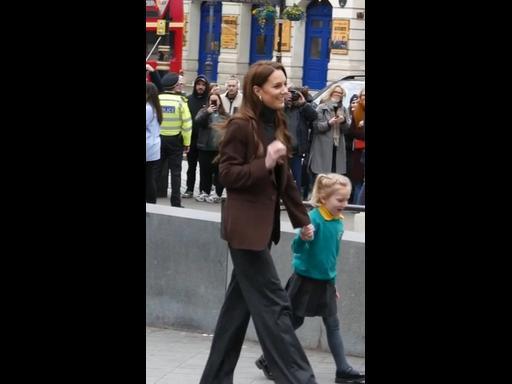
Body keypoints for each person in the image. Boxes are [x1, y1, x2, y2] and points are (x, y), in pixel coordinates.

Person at [199, 60, 318, 384]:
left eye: (285, 83)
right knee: (276, 306)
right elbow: (227, 175)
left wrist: (301, 219)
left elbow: (286, 180)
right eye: (277, 86)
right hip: (244, 232)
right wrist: (263, 161)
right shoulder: (241, 125)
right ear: (257, 90)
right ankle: (301, 379)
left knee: (235, 314)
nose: (285, 90)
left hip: (261, 231)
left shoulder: (276, 121)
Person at [255, 173, 365, 384]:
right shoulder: (314, 219)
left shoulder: (338, 221)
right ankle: (267, 359)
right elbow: (296, 248)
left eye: (347, 199)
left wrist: (333, 284)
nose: (345, 204)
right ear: (323, 198)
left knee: (332, 324)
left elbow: (331, 257)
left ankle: (342, 369)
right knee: (293, 322)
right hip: (305, 281)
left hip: (325, 282)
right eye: (340, 200)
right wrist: (304, 238)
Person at [156, 72, 192, 207]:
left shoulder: (157, 99)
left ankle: (150, 199)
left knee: (156, 171)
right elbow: (187, 124)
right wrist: (187, 143)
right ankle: (175, 202)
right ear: (175, 86)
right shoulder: (181, 101)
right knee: (176, 172)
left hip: (159, 140)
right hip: (175, 141)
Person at [194, 92, 228, 203]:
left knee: (219, 172)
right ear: (208, 102)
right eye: (211, 100)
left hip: (219, 149)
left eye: (216, 100)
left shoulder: (225, 115)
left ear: (220, 102)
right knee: (204, 171)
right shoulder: (203, 112)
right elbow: (197, 121)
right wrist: (207, 113)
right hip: (205, 147)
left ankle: (217, 193)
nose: (213, 102)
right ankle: (204, 191)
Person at [182, 74, 210, 199]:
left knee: (204, 168)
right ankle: (189, 189)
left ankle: (203, 191)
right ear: (195, 86)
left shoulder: (209, 101)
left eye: (203, 85)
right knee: (191, 166)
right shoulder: (188, 100)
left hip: (205, 140)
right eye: (198, 84)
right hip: (192, 139)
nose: (200, 87)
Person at [146, 82, 162, 204]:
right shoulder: (155, 107)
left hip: (148, 146)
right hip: (153, 146)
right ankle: (151, 201)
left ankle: (150, 201)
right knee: (150, 176)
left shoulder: (148, 108)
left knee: (148, 178)